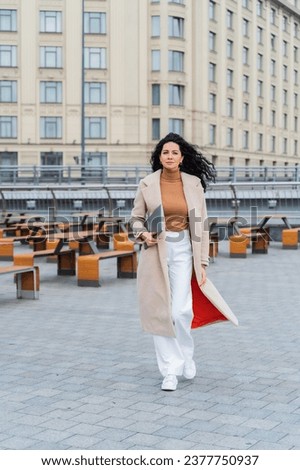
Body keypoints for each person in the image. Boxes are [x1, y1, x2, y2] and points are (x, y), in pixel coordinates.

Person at [130, 132, 216, 391]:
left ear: (181, 158)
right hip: (156, 251)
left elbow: (200, 224)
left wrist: (202, 263)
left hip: (184, 250)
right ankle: (169, 370)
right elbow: (135, 218)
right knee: (160, 312)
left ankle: (186, 355)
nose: (169, 156)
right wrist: (142, 232)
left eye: (174, 153)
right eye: (165, 152)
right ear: (159, 156)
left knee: (180, 311)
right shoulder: (147, 183)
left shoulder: (193, 184)